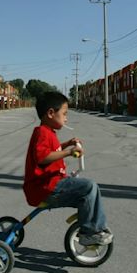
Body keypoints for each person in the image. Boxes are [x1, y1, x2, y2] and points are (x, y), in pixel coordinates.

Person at [23, 91, 113, 246]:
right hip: (46, 188)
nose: (66, 118)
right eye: (64, 113)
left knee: (87, 192)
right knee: (89, 187)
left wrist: (67, 144)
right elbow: (42, 157)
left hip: (50, 185)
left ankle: (91, 225)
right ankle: (90, 232)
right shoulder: (42, 133)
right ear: (51, 113)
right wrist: (69, 152)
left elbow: (54, 149)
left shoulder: (48, 132)